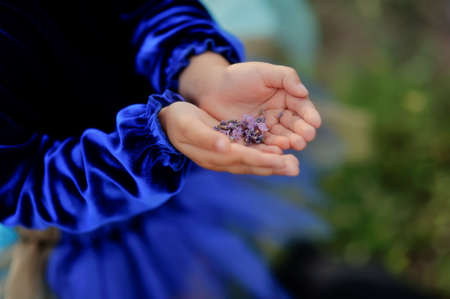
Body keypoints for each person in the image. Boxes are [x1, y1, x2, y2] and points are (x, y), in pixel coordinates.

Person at [0, 0, 322, 298]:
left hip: (185, 151)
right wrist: (153, 140)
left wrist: (203, 74)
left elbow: (149, 5)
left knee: (213, 263)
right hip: (94, 220)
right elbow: (18, 180)